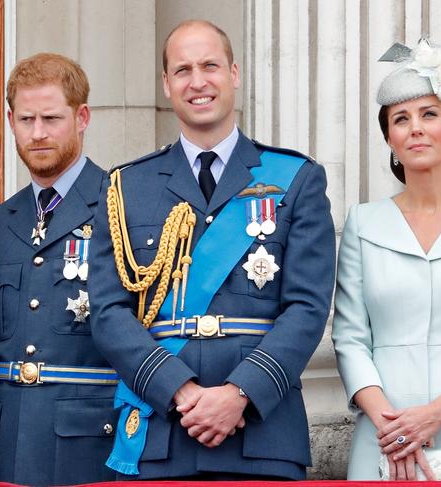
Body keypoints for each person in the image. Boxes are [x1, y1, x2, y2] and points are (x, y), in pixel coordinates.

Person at [89, 19, 335, 480]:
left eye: (210, 66)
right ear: (166, 84)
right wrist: (180, 391)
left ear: (234, 74)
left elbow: (307, 307)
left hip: (262, 433)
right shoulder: (126, 186)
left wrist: (240, 393)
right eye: (182, 70)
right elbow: (107, 312)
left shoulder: (296, 178)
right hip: (163, 430)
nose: (197, 81)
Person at [0, 53, 118, 487]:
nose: (37, 134)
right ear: (10, 120)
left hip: (90, 445)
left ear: (82, 117)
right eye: (26, 119)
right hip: (6, 444)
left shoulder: (122, 205)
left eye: (51, 118)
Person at [333, 39, 441, 481]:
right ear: (389, 137)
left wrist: (437, 412)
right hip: (383, 434)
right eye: (400, 119)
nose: (415, 128)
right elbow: (350, 336)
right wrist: (392, 424)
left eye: (429, 114)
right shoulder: (363, 223)